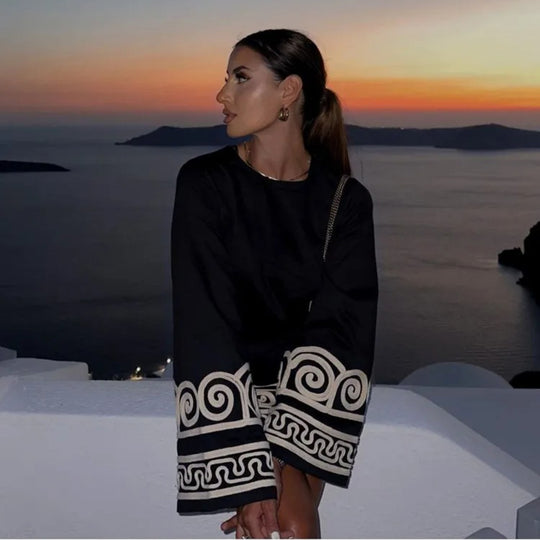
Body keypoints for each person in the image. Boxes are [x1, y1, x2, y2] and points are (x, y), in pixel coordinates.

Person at [171, 29, 378, 539]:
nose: (222, 94)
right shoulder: (205, 183)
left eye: (240, 78)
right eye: (226, 79)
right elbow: (204, 319)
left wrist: (283, 461)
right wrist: (248, 472)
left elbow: (343, 325)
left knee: (295, 525)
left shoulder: (346, 200)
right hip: (235, 405)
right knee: (294, 525)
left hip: (309, 407)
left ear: (288, 91)